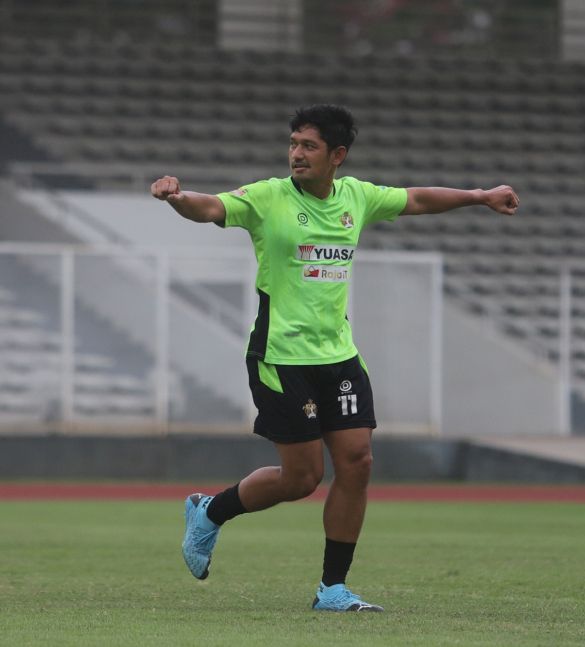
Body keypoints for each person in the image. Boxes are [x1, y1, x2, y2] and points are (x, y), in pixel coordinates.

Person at [150, 104, 519, 612]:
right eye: (294, 143)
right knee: (302, 479)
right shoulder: (267, 197)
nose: (297, 154)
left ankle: (332, 588)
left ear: (337, 155)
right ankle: (210, 511)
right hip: (281, 357)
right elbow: (210, 207)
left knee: (358, 463)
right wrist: (176, 198)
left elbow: (415, 198)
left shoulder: (357, 197)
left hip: (339, 356)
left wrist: (480, 196)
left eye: (309, 146)